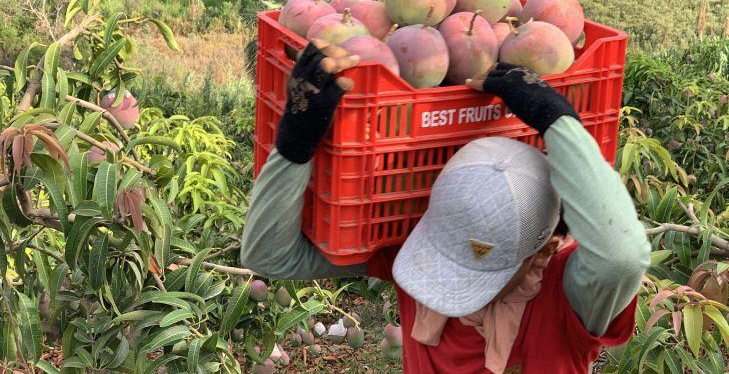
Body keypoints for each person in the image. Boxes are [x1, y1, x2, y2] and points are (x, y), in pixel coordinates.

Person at [241, 40, 651, 374]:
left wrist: (557, 121)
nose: (439, 293)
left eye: (472, 270)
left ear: (543, 250)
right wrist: (296, 144)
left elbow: (624, 256)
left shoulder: (569, 295)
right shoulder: (416, 253)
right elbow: (269, 256)